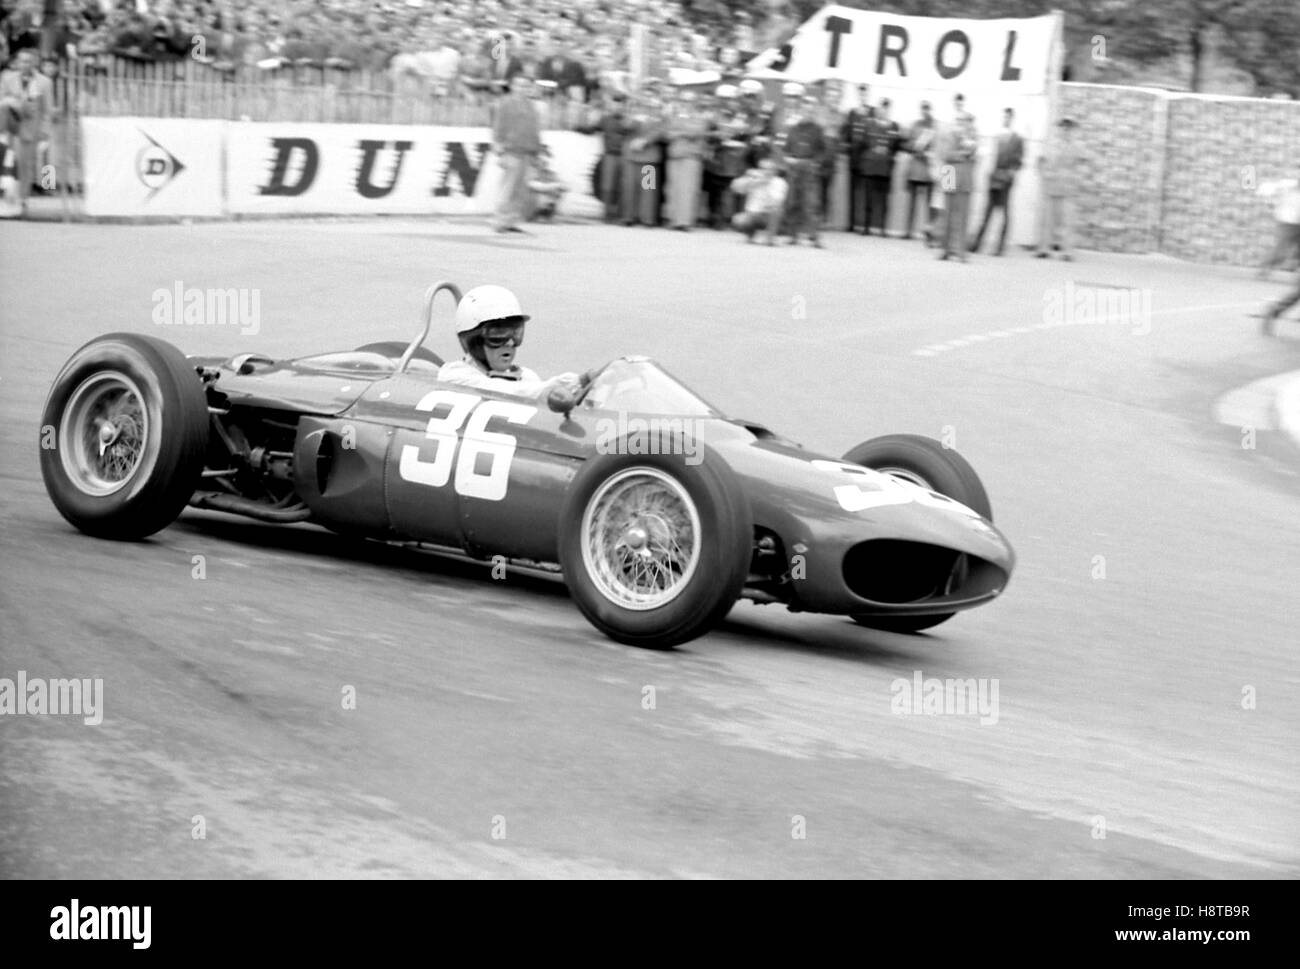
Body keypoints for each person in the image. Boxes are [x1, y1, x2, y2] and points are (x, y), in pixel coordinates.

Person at [438, 285, 583, 398]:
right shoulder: (454, 376)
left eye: (515, 333)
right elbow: (497, 390)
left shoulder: (527, 377)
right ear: (473, 339)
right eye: (498, 335)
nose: (509, 343)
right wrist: (570, 383)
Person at [0, 49, 53, 211]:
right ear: (17, 62)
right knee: (6, 163)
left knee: (25, 165)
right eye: (22, 61)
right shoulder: (7, 78)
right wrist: (16, 103)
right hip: (8, 127)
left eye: (29, 61)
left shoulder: (44, 82)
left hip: (31, 129)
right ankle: (5, 197)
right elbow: (2, 100)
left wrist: (45, 132)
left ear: (34, 63)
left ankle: (25, 198)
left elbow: (47, 110)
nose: (25, 64)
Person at [491, 73, 542, 234]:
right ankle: (500, 221)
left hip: (527, 152)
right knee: (508, 188)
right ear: (512, 86)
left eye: (526, 86)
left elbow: (534, 130)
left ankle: (510, 221)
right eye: (519, 85)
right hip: (511, 151)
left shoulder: (532, 106)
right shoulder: (505, 104)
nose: (522, 89)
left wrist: (536, 151)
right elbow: (498, 126)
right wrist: (499, 147)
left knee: (520, 190)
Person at [971, 107, 1024, 256]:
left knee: (1005, 213)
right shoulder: (997, 137)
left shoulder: (1017, 139)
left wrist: (1010, 174)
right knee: (987, 212)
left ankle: (1000, 247)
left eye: (1008, 117)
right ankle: (976, 244)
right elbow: (990, 158)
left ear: (1012, 119)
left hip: (1006, 180)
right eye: (1004, 117)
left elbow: (1019, 161)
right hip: (993, 179)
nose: (1005, 119)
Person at [779, 93, 826, 247]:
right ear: (801, 110)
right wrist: (788, 159)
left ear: (814, 111)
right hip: (794, 168)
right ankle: (792, 235)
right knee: (792, 202)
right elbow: (785, 149)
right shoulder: (793, 128)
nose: (808, 111)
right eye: (805, 108)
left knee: (811, 203)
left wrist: (815, 164)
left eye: (811, 108)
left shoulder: (818, 130)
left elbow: (823, 150)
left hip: (809, 169)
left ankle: (814, 236)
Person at [937, 107, 978, 262]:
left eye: (966, 122)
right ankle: (945, 250)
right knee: (947, 214)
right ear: (955, 122)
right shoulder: (948, 135)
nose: (963, 124)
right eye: (960, 121)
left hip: (965, 178)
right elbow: (945, 155)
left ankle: (961, 252)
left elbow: (974, 156)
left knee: (963, 216)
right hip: (949, 173)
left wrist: (967, 151)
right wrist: (961, 155)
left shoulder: (973, 138)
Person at [1036, 117, 1079, 260]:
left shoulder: (1075, 146)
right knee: (1047, 220)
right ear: (1059, 129)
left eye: (1068, 128)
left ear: (1072, 131)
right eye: (1063, 128)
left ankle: (1067, 251)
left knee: (1067, 221)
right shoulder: (1050, 145)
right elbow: (1041, 161)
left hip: (1067, 187)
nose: (1065, 131)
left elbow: (1077, 164)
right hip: (1051, 185)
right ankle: (1043, 249)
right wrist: (1044, 174)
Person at [665, 90, 707, 230]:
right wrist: (682, 131)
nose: (686, 104)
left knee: (688, 190)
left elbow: (696, 132)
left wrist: (679, 130)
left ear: (694, 103)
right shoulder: (675, 116)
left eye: (689, 101)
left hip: (690, 157)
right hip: (675, 155)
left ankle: (685, 221)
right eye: (683, 101)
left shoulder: (699, 116)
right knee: (673, 189)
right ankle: (673, 219)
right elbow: (667, 133)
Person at [861, 97, 900, 236]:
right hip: (871, 166)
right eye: (882, 108)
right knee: (869, 197)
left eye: (887, 108)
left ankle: (883, 228)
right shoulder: (869, 124)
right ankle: (866, 227)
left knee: (884, 199)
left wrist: (889, 153)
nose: (884, 111)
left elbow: (896, 146)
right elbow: (864, 142)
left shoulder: (894, 126)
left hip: (885, 167)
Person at [730, 156, 788, 245]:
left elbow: (777, 201)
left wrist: (767, 185)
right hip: (753, 214)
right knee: (738, 220)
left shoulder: (779, 182)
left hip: (768, 215)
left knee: (777, 210)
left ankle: (770, 239)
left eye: (769, 169)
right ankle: (751, 236)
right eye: (763, 169)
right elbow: (735, 188)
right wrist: (750, 180)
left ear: (775, 171)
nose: (766, 171)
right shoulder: (754, 179)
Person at [841, 84, 873, 234]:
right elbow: (847, 133)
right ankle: (852, 223)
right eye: (860, 94)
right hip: (854, 156)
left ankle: (866, 225)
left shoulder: (872, 112)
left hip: (867, 157)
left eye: (865, 94)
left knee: (867, 191)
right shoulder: (852, 113)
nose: (863, 97)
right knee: (852, 191)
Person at [902, 100, 936, 241]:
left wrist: (927, 153)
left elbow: (938, 149)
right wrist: (914, 147)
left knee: (931, 205)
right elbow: (908, 143)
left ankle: (930, 233)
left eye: (927, 109)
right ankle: (908, 230)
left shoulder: (935, 127)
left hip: (930, 171)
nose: (925, 111)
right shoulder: (915, 125)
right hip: (916, 168)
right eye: (923, 109)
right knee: (912, 203)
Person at [1256, 171, 1300, 279]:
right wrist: (1270, 203)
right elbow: (1265, 190)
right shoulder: (1286, 186)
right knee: (1281, 250)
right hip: (1287, 223)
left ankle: (1295, 270)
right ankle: (1265, 268)